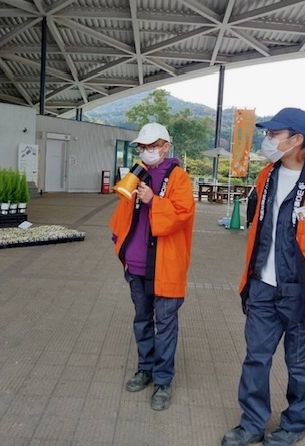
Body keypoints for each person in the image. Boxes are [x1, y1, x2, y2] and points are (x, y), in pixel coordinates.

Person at [222, 108, 305, 446]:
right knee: (256, 358)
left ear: (296, 140)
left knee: (299, 364)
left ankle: (294, 425)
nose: (267, 140)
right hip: (262, 287)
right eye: (267, 133)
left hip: (300, 291)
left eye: (273, 134)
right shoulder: (267, 175)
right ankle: (252, 423)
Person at [108, 122, 195, 412]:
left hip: (165, 265)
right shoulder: (137, 173)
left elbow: (182, 215)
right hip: (136, 264)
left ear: (166, 147)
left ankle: (163, 381)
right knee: (142, 320)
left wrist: (152, 201)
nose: (147, 151)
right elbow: (122, 212)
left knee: (165, 325)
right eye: (143, 147)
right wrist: (119, 243)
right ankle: (145, 369)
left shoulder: (179, 177)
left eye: (152, 146)